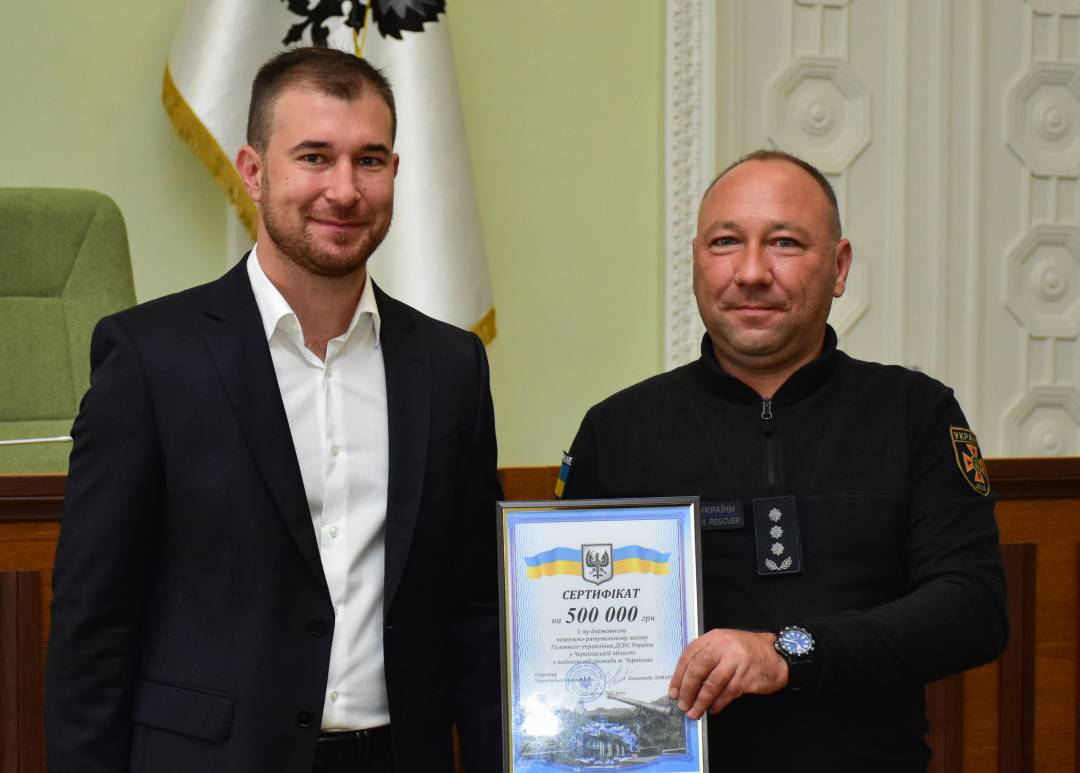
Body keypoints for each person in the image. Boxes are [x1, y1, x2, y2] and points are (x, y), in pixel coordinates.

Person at [45, 47, 501, 773]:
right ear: (253, 171)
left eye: (370, 160)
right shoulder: (151, 359)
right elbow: (93, 627)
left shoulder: (450, 368)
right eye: (315, 157)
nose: (345, 190)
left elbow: (476, 613)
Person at [560, 149, 1007, 771]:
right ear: (696, 260)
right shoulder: (618, 430)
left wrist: (787, 653)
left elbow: (971, 610)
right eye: (724, 242)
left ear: (840, 266)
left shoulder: (916, 413)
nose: (750, 272)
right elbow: (565, 640)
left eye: (785, 243)